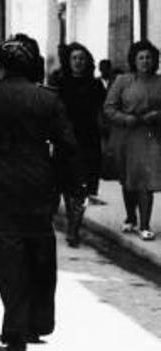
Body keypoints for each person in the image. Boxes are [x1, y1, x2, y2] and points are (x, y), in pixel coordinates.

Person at [0, 35, 79, 351]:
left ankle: (17, 328)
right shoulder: (48, 99)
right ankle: (36, 323)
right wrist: (73, 186)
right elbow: (68, 147)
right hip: (39, 185)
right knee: (39, 255)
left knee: (7, 259)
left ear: (2, 68)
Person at [103, 40, 161, 241]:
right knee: (128, 180)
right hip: (125, 136)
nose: (145, 61)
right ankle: (131, 217)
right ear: (134, 60)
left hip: (149, 136)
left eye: (149, 57)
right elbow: (109, 107)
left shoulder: (159, 82)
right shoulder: (122, 81)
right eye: (141, 58)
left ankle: (145, 224)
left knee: (147, 180)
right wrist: (125, 118)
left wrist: (156, 115)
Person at [55, 43, 106, 246]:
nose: (78, 62)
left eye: (82, 58)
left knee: (83, 187)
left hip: (88, 141)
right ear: (69, 61)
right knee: (68, 186)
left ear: (88, 62)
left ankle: (75, 227)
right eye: (75, 58)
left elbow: (102, 112)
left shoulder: (95, 86)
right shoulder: (60, 83)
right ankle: (72, 223)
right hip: (65, 140)